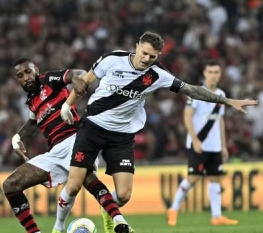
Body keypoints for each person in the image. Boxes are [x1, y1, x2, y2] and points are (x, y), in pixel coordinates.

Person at [57, 31, 258, 233]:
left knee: (124, 195)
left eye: (152, 56)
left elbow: (193, 90)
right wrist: (67, 105)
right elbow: (84, 81)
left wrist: (228, 101)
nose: (146, 59)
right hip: (92, 127)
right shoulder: (112, 59)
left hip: (122, 136)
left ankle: (107, 210)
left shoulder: (158, 75)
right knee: (73, 185)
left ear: (158, 56)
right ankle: (58, 227)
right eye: (144, 53)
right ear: (136, 46)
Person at [3, 58, 100, 233]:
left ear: (36, 70)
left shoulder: (49, 80)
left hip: (75, 141)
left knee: (89, 181)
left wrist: (79, 79)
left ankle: (115, 220)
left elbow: (75, 74)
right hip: (54, 153)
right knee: (10, 184)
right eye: (20, 75)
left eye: (28, 72)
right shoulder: (32, 101)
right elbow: (33, 123)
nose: (25, 77)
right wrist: (16, 137)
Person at [167, 60, 238, 226]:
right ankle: (174, 209)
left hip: (214, 146)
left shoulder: (220, 93)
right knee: (193, 178)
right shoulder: (196, 92)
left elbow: (219, 120)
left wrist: (223, 144)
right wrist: (195, 139)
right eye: (210, 72)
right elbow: (187, 116)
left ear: (220, 75)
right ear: (204, 73)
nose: (213, 75)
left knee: (215, 178)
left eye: (216, 72)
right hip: (198, 144)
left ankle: (216, 216)